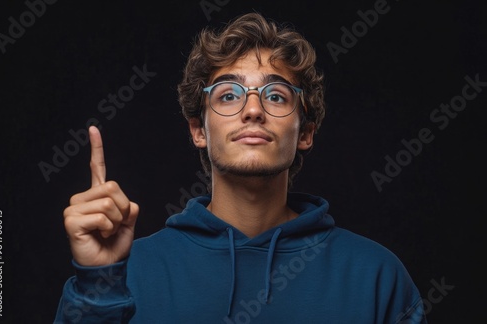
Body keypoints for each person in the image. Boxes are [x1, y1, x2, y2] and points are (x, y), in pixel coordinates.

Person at [55, 12, 427, 323]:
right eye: (229, 95)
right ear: (199, 130)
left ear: (305, 133)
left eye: (276, 96)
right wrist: (98, 283)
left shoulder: (375, 276)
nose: (253, 110)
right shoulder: (128, 271)